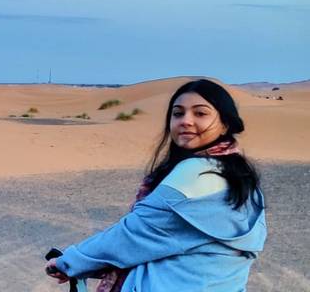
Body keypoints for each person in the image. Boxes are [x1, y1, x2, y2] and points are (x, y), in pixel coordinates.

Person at [45, 79, 266, 292]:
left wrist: (69, 262)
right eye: (178, 113)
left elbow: (130, 237)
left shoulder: (194, 173)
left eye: (200, 113)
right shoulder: (242, 178)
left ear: (225, 123)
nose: (185, 121)